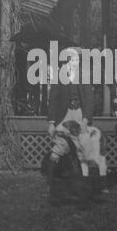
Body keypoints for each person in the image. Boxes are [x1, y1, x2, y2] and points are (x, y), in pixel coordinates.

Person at [47, 48, 95, 206]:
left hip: (79, 113)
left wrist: (86, 118)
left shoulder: (84, 74)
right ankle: (53, 181)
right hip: (65, 113)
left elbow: (89, 98)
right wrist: (51, 122)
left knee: (81, 146)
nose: (74, 62)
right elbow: (52, 99)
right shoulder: (59, 75)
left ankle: (83, 184)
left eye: (76, 60)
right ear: (66, 60)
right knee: (60, 144)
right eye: (71, 60)